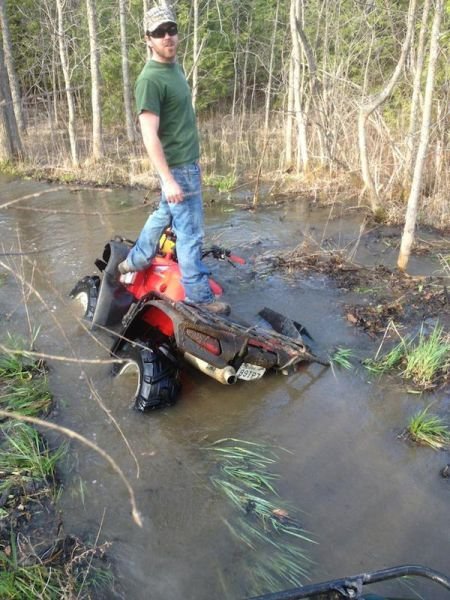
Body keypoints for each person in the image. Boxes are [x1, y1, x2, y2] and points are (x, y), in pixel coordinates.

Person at [119, 5, 230, 316]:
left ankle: (137, 259)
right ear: (148, 39)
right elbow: (149, 134)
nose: (167, 37)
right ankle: (199, 299)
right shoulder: (150, 79)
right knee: (190, 232)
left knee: (162, 214)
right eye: (159, 33)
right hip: (177, 169)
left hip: (187, 164)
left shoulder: (175, 69)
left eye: (171, 30)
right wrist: (168, 180)